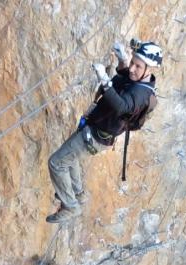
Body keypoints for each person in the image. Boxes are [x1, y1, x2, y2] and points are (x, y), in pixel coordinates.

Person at [46, 39, 162, 223]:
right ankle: (79, 193)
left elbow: (123, 106)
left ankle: (70, 206)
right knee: (70, 158)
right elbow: (126, 79)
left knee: (56, 162)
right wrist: (123, 60)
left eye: (138, 66)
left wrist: (105, 81)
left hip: (96, 136)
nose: (132, 69)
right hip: (95, 129)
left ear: (150, 70)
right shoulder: (137, 81)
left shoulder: (141, 94)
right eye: (133, 63)